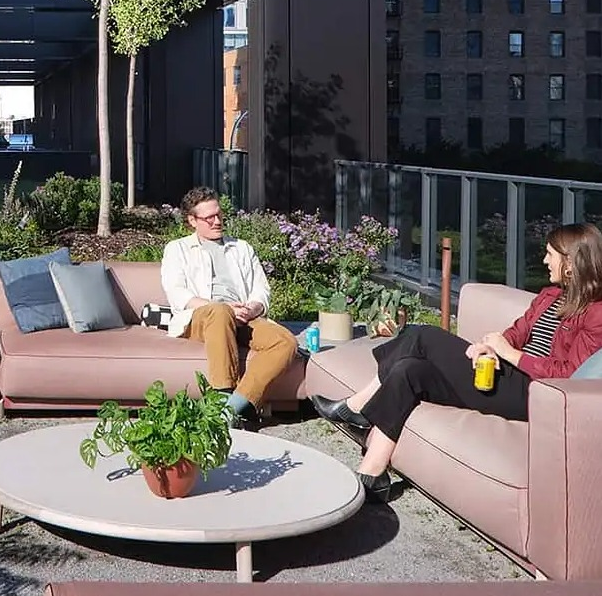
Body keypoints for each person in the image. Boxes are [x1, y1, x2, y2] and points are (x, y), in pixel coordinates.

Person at [311, 222, 602, 503]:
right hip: (506, 373)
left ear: (570, 262)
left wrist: (511, 355)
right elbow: (517, 333)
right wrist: (491, 347)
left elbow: (568, 374)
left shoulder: (596, 313)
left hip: (535, 394)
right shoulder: (550, 296)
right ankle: (372, 475)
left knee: (423, 335)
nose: (544, 261)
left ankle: (358, 406)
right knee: (410, 369)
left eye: (550, 254)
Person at [160, 186, 297, 427]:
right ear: (192, 221)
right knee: (220, 311)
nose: (217, 221)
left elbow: (261, 289)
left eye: (219, 214)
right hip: (202, 315)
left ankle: (232, 408)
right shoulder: (177, 249)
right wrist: (222, 308)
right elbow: (178, 294)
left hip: (243, 315)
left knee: (285, 342)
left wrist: (252, 308)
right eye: (209, 218)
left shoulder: (241, 248)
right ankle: (221, 394)